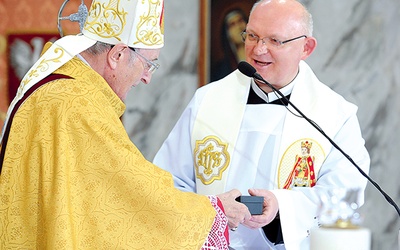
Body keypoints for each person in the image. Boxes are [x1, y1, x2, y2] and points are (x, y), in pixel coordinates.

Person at [0, 0, 251, 249]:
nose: (147, 78)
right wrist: (212, 212)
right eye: (149, 63)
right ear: (117, 54)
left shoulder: (69, 87)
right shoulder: (77, 103)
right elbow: (133, 194)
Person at [153, 0, 371, 249]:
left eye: (275, 41)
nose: (258, 50)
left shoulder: (334, 114)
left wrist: (281, 208)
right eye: (253, 36)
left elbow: (344, 195)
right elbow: (167, 182)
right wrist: (213, 209)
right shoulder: (207, 101)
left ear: (306, 48)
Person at [210, 8, 247, 82]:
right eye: (232, 25)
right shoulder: (221, 69)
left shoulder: (262, 59)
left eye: (240, 21)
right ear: (227, 34)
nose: (239, 27)